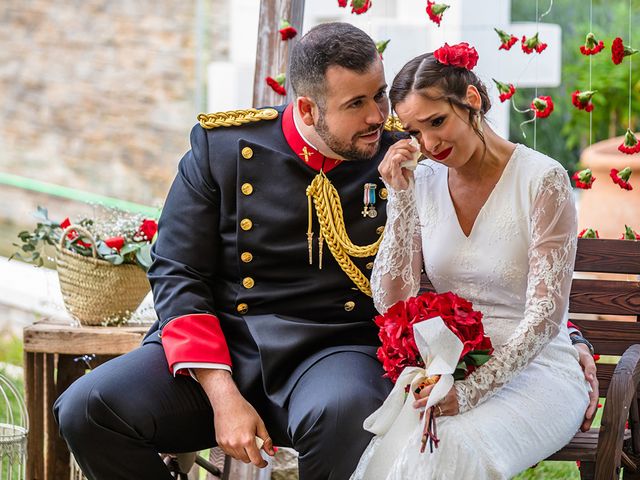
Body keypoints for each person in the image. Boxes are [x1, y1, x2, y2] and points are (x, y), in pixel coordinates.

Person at [53, 24, 596, 480]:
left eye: (380, 96)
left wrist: (567, 335)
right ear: (309, 108)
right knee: (87, 408)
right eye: (357, 103)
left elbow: (496, 242)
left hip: (334, 351)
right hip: (226, 348)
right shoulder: (222, 148)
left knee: (349, 413)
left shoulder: (406, 154)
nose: (377, 117)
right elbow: (177, 271)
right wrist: (221, 394)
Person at [350, 44, 595, 480]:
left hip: (539, 371)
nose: (430, 143)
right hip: (451, 365)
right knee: (417, 445)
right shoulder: (422, 182)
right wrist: (401, 199)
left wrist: (471, 391)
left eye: (437, 122)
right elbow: (392, 302)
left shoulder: (543, 179)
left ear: (472, 99)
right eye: (415, 132)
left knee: (448, 446)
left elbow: (543, 318)